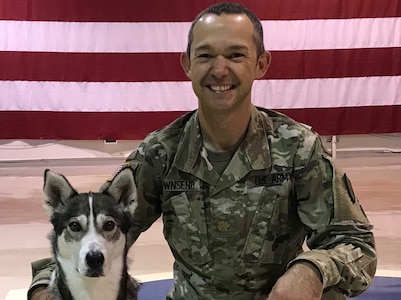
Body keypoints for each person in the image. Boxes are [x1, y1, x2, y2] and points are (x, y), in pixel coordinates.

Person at [29, 2, 376, 299]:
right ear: (187, 65)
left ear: (261, 64)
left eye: (236, 55)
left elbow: (356, 244)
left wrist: (313, 269)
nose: (220, 69)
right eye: (206, 55)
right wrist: (45, 286)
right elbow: (96, 225)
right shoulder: (161, 154)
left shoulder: (298, 149)